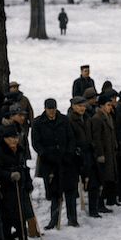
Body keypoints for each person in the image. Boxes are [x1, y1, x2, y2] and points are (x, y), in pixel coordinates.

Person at [31, 98, 79, 229]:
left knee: (70, 191)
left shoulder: (64, 120)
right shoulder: (38, 123)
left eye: (53, 109)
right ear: (45, 109)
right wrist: (45, 154)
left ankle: (72, 218)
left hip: (66, 161)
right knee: (54, 193)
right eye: (49, 109)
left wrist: (69, 154)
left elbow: (71, 138)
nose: (51, 111)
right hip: (49, 163)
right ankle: (54, 220)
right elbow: (36, 142)